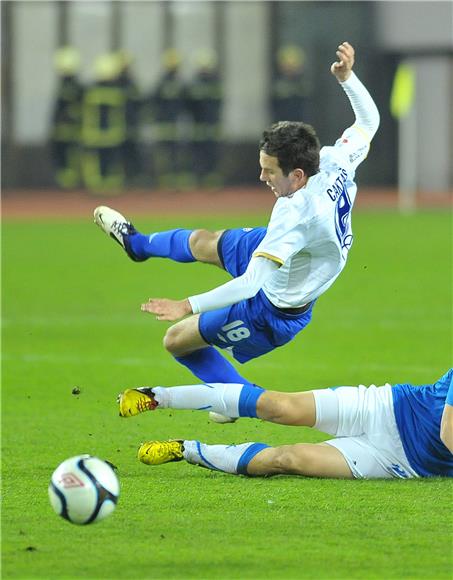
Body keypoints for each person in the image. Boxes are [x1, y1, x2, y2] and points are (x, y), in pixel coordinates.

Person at [94, 42, 380, 421]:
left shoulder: (295, 213)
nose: (262, 177)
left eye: (269, 171)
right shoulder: (332, 159)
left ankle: (233, 401)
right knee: (203, 241)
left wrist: (186, 305)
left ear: (296, 175)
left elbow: (250, 285)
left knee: (176, 340)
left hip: (274, 307)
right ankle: (138, 245)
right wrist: (348, 78)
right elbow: (368, 123)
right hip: (285, 251)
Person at [115, 369, 453, 479]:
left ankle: (186, 449)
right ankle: (158, 396)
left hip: (401, 461)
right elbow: (448, 430)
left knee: (286, 459)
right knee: (280, 407)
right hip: (386, 408)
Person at [50, 46, 84, 189]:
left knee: (68, 159)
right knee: (66, 159)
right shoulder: (75, 86)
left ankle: (69, 186)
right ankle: (67, 185)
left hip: (69, 132)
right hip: (65, 132)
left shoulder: (69, 87)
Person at [271, 45, 311, 123]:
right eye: (287, 66)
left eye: (293, 66)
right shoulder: (277, 84)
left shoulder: (303, 84)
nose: (290, 69)